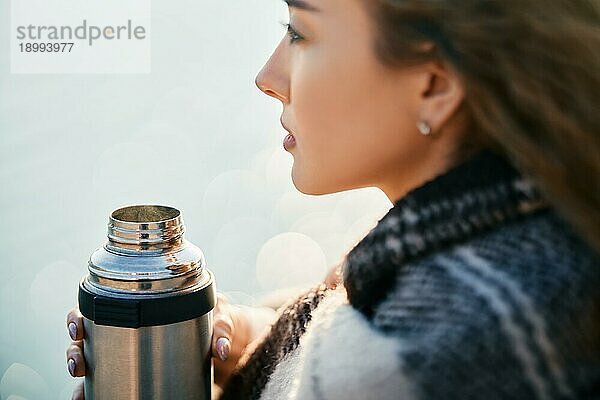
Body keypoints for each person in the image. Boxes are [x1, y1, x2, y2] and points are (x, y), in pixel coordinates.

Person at [66, 0, 600, 398]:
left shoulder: (409, 359)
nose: (268, 78)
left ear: (435, 86)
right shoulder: (546, 228)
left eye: (300, 32)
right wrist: (248, 339)